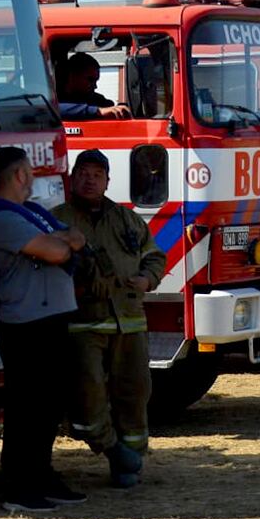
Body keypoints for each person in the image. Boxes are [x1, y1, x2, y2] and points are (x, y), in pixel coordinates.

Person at [0, 146, 87, 513]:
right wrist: (62, 243)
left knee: (50, 404)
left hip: (52, 318)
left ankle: (42, 475)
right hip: (26, 325)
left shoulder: (32, 213)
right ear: (20, 175)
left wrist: (63, 242)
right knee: (27, 407)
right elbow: (57, 250)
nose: (34, 177)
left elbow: (75, 237)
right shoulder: (3, 218)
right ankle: (18, 487)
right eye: (29, 171)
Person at [55, 150, 167, 489]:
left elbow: (154, 256)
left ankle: (130, 462)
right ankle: (112, 449)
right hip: (84, 324)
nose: (89, 179)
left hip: (129, 322)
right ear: (72, 178)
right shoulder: (57, 219)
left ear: (107, 181)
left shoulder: (126, 220)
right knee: (88, 393)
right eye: (83, 173)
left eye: (97, 174)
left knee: (134, 392)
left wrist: (148, 280)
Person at [59, 52, 131, 120]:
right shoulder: (53, 100)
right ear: (72, 76)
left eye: (96, 81)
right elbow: (56, 110)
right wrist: (98, 111)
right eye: (90, 79)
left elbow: (109, 107)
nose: (95, 86)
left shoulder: (97, 99)